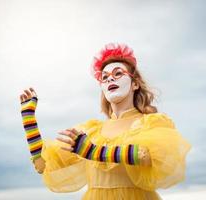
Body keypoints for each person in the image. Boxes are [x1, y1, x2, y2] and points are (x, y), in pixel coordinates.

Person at [19, 43, 192, 200]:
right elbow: (42, 165)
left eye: (118, 74)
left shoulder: (149, 123)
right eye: (104, 77)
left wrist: (93, 151)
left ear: (135, 84)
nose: (110, 79)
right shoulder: (90, 131)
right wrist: (29, 119)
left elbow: (149, 156)